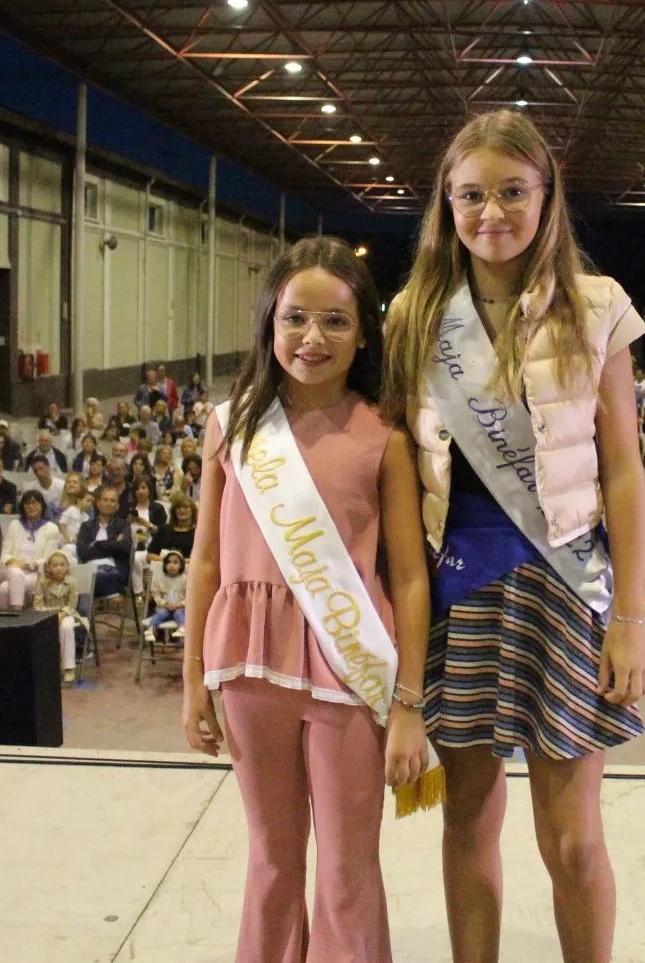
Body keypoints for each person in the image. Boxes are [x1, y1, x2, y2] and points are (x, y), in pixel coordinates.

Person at [378, 111, 645, 963]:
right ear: (445, 204)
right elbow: (390, 460)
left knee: (572, 841)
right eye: (469, 195)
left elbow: (624, 472)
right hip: (455, 591)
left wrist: (633, 616)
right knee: (468, 819)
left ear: (546, 196)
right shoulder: (413, 313)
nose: (490, 212)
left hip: (566, 594)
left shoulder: (598, 306)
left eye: (511, 192)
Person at [180, 236, 429, 963]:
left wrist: (409, 704)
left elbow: (410, 578)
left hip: (348, 672)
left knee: (349, 869)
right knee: (271, 858)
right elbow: (205, 562)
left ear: (363, 334)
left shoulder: (384, 436)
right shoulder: (230, 426)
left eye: (335, 322)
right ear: (269, 322)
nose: (312, 339)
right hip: (248, 667)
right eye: (295, 318)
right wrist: (194, 679)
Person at [0, 490, 63, 611]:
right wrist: (15, 563)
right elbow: (5, 553)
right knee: (15, 572)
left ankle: (7, 623)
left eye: (34, 503)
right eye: (27, 503)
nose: (31, 506)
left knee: (4, 589)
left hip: (36, 574)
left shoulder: (51, 528)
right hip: (12, 569)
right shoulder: (15, 524)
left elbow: (50, 558)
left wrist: (31, 565)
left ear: (42, 506)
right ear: (23, 507)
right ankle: (18, 613)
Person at [29, 550, 84, 685]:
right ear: (48, 568)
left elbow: (72, 606)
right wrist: (53, 614)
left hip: (67, 614)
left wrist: (62, 614)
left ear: (66, 566)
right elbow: (37, 605)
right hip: (45, 615)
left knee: (66, 626)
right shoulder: (42, 582)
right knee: (42, 627)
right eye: (55, 565)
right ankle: (44, 667)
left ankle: (68, 667)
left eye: (62, 565)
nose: (59, 568)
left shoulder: (71, 582)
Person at [145, 549, 188, 641]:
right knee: (160, 613)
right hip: (165, 607)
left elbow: (190, 597)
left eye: (175, 562)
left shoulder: (185, 579)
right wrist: (165, 604)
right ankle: (150, 629)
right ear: (164, 565)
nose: (171, 565)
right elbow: (155, 594)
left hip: (180, 608)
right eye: (168, 562)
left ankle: (181, 627)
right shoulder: (159, 578)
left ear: (181, 566)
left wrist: (179, 605)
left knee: (178, 613)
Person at [634, 365, 645, 434]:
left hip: (643, 405)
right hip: (635, 406)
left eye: (640, 374)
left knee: (643, 420)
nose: (638, 375)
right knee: (635, 421)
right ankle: (637, 434)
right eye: (637, 374)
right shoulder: (633, 383)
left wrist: (636, 393)